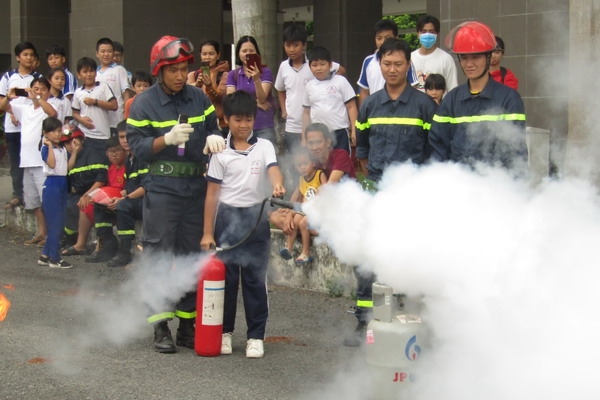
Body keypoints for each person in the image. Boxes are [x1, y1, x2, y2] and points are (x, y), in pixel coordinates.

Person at [127, 35, 225, 354]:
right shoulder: (144, 104)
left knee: (190, 257)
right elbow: (139, 149)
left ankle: (186, 325)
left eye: (184, 68)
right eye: (174, 70)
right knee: (158, 254)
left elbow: (215, 127)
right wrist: (166, 140)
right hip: (163, 189)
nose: (181, 75)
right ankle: (160, 327)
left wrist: (213, 139)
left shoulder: (199, 98)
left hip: (195, 188)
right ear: (159, 70)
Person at [351, 38, 437, 346]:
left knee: (410, 253)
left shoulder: (424, 105)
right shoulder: (371, 105)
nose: (392, 69)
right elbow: (361, 149)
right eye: (386, 64)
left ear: (408, 66)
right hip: (376, 188)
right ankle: (364, 322)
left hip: (411, 195)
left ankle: (413, 319)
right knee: (369, 254)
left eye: (398, 64)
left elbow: (433, 152)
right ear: (379, 65)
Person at [200, 90, 285, 359]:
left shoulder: (264, 146)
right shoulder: (219, 151)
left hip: (255, 218)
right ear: (226, 119)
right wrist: (207, 233)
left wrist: (277, 183)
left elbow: (273, 169)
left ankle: (255, 336)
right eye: (237, 120)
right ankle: (224, 333)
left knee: (254, 280)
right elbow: (212, 194)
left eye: (248, 119)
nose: (243, 125)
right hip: (226, 218)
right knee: (226, 279)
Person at [429, 21, 527, 171]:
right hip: (459, 186)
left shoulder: (508, 99)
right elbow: (438, 147)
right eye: (464, 57)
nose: (469, 64)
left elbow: (516, 152)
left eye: (475, 57)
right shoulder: (451, 101)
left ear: (488, 57)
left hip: (496, 187)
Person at [0, 77, 58, 247]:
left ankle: (52, 236)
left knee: (47, 201)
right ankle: (42, 233)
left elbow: (52, 114)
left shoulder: (49, 106)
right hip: (26, 161)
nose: (38, 91)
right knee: (33, 202)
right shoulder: (24, 108)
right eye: (35, 88)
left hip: (42, 162)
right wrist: (9, 96)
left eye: (42, 89)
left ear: (48, 92)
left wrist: (38, 97)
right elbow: (3, 107)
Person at [274, 24, 345, 155]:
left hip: (313, 126)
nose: (291, 49)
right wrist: (284, 109)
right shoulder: (283, 66)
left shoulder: (314, 63)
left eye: (296, 45)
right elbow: (280, 89)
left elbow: (340, 70)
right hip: (292, 126)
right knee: (295, 165)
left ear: (304, 45)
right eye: (288, 45)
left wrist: (325, 87)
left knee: (315, 164)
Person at [0, 41, 42, 210]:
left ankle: (32, 195)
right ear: (18, 57)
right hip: (13, 127)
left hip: (32, 128)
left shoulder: (38, 78)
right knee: (16, 161)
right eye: (25, 54)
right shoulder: (8, 77)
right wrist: (11, 112)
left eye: (31, 55)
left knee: (32, 160)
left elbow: (42, 100)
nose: (29, 58)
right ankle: (18, 194)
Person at [270, 146, 327, 264]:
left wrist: (294, 211)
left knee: (301, 221)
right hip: (305, 209)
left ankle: (305, 252)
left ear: (314, 163)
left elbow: (325, 194)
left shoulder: (319, 175)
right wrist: (287, 210)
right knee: (295, 219)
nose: (303, 167)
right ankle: (289, 248)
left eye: (305, 163)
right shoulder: (302, 180)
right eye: (299, 165)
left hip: (317, 210)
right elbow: (294, 200)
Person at [60, 126, 108, 257]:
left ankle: (77, 243)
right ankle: (68, 237)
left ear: (81, 140)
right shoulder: (70, 157)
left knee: (78, 205)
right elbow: (65, 173)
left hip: (96, 190)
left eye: (73, 141)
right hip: (79, 193)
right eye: (67, 143)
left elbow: (101, 178)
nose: (70, 145)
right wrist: (74, 153)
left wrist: (88, 194)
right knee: (63, 204)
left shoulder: (93, 154)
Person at [106, 120, 147, 268]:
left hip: (150, 201)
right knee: (103, 205)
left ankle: (125, 252)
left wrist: (124, 198)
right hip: (136, 199)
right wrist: (116, 197)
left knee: (123, 205)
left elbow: (146, 187)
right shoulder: (130, 159)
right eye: (122, 137)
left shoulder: (143, 156)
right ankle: (105, 247)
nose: (125, 140)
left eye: (128, 136)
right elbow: (131, 185)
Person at [302, 46, 357, 154]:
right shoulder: (309, 86)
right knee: (322, 165)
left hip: (339, 132)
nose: (319, 68)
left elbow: (351, 107)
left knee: (342, 163)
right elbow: (306, 113)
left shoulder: (341, 81)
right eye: (314, 65)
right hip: (318, 135)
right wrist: (304, 137)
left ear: (330, 65)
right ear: (310, 67)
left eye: (322, 64)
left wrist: (355, 130)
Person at [226, 36, 277, 148]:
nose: (247, 54)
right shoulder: (233, 75)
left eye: (251, 51)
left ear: (257, 53)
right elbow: (231, 99)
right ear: (238, 53)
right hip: (242, 128)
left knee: (266, 162)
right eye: (244, 51)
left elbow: (263, 98)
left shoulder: (266, 72)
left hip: (264, 126)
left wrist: (256, 79)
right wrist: (255, 102)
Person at [357, 19, 418, 109]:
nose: (382, 42)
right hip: (375, 111)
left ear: (396, 38)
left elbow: (413, 87)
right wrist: (364, 113)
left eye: (387, 38)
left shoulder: (404, 61)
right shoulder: (368, 61)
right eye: (379, 38)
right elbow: (364, 91)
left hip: (401, 110)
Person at [84, 136, 128, 263]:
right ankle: (106, 245)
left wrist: (121, 198)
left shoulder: (128, 166)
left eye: (118, 151)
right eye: (111, 152)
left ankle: (124, 252)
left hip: (125, 200)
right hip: (110, 202)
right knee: (94, 206)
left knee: (123, 209)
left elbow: (131, 188)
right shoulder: (110, 169)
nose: (114, 155)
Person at [38, 117, 73, 269]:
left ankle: (45, 254)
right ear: (46, 133)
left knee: (59, 221)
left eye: (59, 131)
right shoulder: (45, 148)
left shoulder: (63, 148)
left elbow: (67, 168)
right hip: (52, 185)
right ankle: (54, 257)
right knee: (55, 223)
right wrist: (49, 146)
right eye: (53, 131)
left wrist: (75, 152)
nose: (57, 134)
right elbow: (51, 164)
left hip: (62, 183)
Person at [71, 57, 118, 154]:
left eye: (91, 71)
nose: (88, 74)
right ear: (79, 75)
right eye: (85, 72)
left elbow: (114, 106)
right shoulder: (78, 92)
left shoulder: (103, 86)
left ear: (96, 72)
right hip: (85, 135)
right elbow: (75, 113)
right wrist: (82, 120)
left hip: (103, 135)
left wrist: (95, 102)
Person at [187, 40, 230, 134]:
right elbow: (186, 96)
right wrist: (197, 85)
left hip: (220, 125)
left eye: (211, 54)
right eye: (204, 54)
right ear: (200, 55)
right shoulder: (192, 75)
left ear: (218, 55)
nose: (207, 57)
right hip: (197, 123)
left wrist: (210, 87)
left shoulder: (224, 74)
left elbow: (223, 97)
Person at [411, 14, 458, 93]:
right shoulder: (410, 58)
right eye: (424, 31)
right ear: (418, 34)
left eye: (431, 32)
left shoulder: (446, 59)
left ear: (437, 34)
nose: (427, 35)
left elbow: (453, 91)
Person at [95, 37, 131, 134]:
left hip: (117, 120)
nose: (106, 54)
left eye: (109, 51)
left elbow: (126, 92)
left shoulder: (119, 69)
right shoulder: (95, 73)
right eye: (103, 51)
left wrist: (126, 115)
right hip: (100, 121)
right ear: (97, 53)